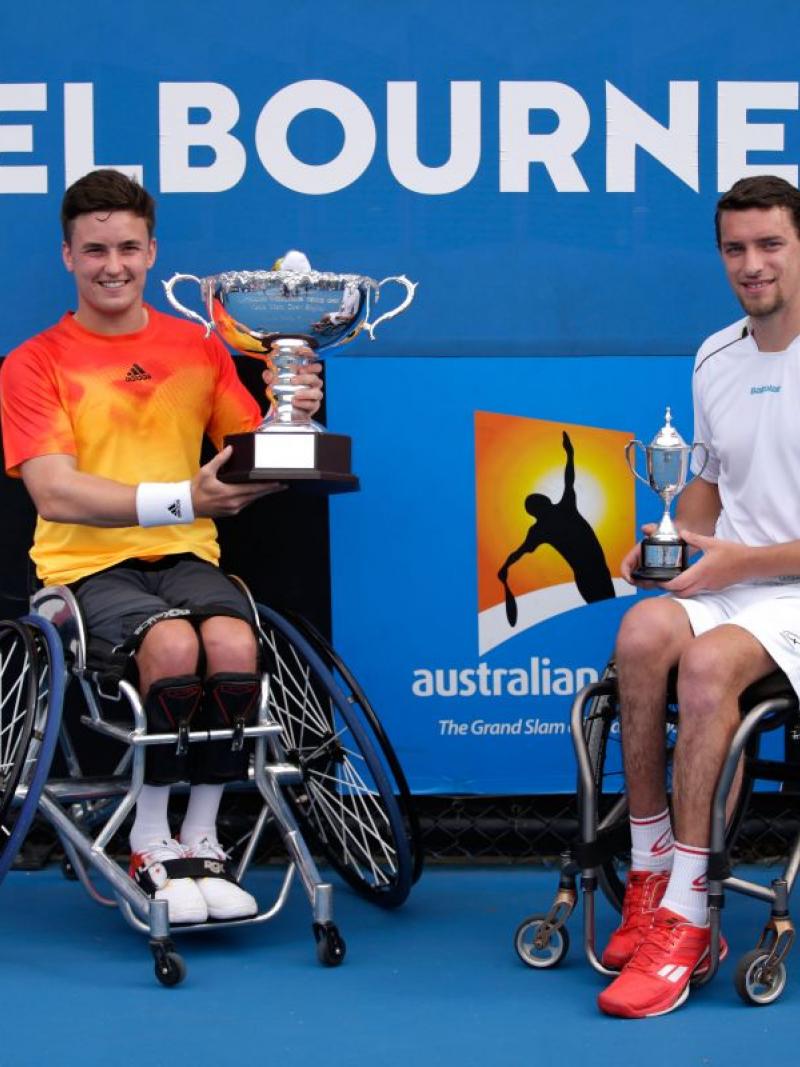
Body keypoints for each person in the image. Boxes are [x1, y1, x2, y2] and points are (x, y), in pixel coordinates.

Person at [0, 169, 323, 924]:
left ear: (152, 253)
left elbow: (249, 452)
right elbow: (54, 491)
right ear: (68, 257)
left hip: (188, 558)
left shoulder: (198, 347)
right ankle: (151, 840)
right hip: (85, 567)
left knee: (235, 644)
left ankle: (202, 836)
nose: (112, 264)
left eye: (128, 248)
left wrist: (293, 415)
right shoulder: (33, 362)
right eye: (95, 250)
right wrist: (188, 495)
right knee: (175, 649)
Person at [598, 174, 800, 1018]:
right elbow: (708, 488)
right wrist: (671, 549)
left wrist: (740, 564)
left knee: (710, 667)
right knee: (644, 630)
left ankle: (689, 911)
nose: (751, 265)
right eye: (734, 249)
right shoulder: (715, 354)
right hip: (734, 579)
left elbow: (750, 556)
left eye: (770, 245)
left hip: (790, 590)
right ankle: (649, 872)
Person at [497, 430, 615, 620]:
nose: (545, 498)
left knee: (605, 615)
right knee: (608, 614)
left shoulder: (540, 529)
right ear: (541, 505)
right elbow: (569, 479)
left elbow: (518, 553)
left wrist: (505, 567)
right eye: (541, 499)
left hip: (590, 574)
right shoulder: (562, 509)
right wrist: (570, 454)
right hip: (594, 572)